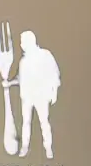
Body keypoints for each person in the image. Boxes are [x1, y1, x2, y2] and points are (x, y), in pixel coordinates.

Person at [14, 30, 61, 158]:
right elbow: (19, 78)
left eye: (23, 42)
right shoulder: (23, 62)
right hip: (27, 97)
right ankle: (24, 146)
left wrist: (54, 92)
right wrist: (9, 83)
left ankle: (48, 148)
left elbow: (54, 74)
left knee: (44, 122)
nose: (21, 45)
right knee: (26, 122)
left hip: (41, 95)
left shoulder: (45, 55)